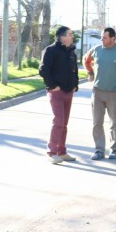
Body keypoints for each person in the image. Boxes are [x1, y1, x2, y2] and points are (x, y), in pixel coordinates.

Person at [83, 27, 116, 160]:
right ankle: (99, 150)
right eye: (102, 37)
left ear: (113, 38)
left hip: (114, 93)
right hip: (97, 92)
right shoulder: (96, 50)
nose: (102, 39)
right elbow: (86, 60)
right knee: (97, 123)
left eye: (105, 37)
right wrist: (90, 73)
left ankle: (113, 149)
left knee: (113, 122)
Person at [39, 26, 79, 164]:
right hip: (56, 92)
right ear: (62, 37)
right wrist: (52, 86)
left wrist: (75, 85)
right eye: (69, 34)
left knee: (64, 124)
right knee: (58, 122)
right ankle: (51, 152)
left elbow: (74, 70)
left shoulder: (71, 51)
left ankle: (62, 152)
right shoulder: (50, 50)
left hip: (69, 91)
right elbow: (43, 70)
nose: (72, 36)